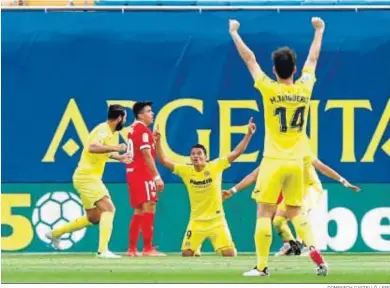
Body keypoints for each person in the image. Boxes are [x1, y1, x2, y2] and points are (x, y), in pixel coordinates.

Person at [229, 17, 327, 276]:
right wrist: (319, 30)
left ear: (274, 69)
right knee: (295, 211)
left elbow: (249, 59)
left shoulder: (269, 89)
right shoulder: (305, 88)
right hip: (297, 163)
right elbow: (314, 59)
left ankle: (261, 267)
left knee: (264, 212)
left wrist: (235, 33)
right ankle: (315, 252)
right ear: (294, 69)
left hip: (273, 160)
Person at [223, 146, 361, 256]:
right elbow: (253, 175)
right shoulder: (274, 156)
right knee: (277, 221)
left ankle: (307, 245)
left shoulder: (302, 151)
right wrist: (232, 190)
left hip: (311, 188)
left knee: (299, 213)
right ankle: (291, 245)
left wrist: (344, 181)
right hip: (295, 191)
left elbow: (322, 168)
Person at [155, 118, 256, 257]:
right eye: (193, 154)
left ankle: (221, 247)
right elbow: (164, 161)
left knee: (230, 254)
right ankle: (195, 249)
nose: (196, 156)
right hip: (196, 221)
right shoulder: (185, 171)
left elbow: (236, 153)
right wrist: (158, 141)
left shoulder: (215, 166)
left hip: (217, 220)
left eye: (199, 154)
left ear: (206, 157)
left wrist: (249, 134)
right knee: (186, 254)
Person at [46, 104, 131, 258]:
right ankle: (103, 251)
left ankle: (54, 233)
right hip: (87, 177)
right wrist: (117, 148)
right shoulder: (104, 130)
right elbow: (92, 147)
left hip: (85, 177)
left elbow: (100, 151)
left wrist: (119, 157)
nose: (125, 121)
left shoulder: (109, 132)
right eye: (124, 118)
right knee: (109, 208)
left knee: (94, 218)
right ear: (119, 118)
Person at [126, 101, 165, 257]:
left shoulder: (134, 129)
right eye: (149, 111)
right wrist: (157, 177)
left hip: (133, 174)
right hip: (143, 174)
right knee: (149, 207)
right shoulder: (142, 130)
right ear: (140, 115)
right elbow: (146, 155)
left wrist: (153, 141)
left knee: (139, 210)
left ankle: (132, 249)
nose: (152, 113)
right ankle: (148, 249)